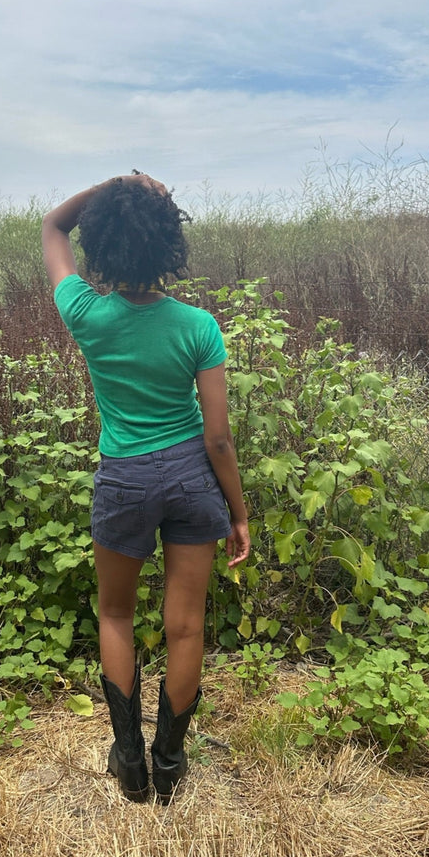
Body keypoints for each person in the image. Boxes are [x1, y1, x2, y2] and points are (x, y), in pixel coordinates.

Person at [42, 172, 250, 803]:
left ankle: (128, 761)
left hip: (125, 478)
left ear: (103, 246)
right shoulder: (198, 326)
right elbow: (219, 439)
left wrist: (114, 186)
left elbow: (53, 225)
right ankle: (170, 762)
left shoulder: (85, 312)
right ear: (170, 246)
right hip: (191, 476)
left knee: (116, 614)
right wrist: (236, 511)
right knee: (185, 627)